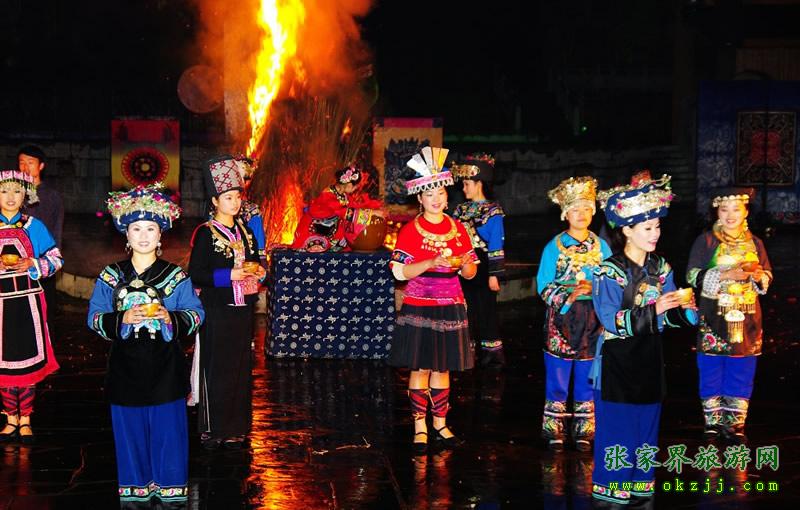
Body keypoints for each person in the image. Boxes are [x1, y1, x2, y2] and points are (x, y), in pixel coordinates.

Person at [87, 184, 204, 504]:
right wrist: (121, 319)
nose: (143, 236)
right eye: (136, 228)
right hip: (124, 366)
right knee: (129, 431)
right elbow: (94, 317)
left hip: (165, 366)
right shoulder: (111, 276)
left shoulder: (175, 276)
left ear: (160, 233)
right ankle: (135, 487)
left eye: (150, 228)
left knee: (169, 430)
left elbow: (196, 314)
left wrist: (170, 317)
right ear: (126, 234)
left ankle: (170, 488)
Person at [590, 171, 697, 507]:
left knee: (647, 426)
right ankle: (612, 489)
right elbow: (610, 319)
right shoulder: (608, 271)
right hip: (617, 361)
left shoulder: (661, 268)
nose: (655, 234)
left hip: (650, 357)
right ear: (627, 230)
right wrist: (655, 308)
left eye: (657, 227)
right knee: (618, 428)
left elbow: (666, 318)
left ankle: (641, 485)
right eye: (647, 228)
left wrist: (685, 310)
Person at [387, 146, 478, 455]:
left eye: (440, 192)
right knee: (421, 367)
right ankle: (420, 427)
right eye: (429, 194)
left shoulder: (459, 229)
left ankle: (440, 423)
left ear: (447, 196)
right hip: (419, 305)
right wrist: (429, 262)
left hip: (451, 305)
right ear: (420, 199)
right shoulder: (410, 231)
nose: (436, 198)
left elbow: (470, 273)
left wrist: (464, 264)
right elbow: (398, 271)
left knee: (443, 368)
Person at [189, 155, 266, 450]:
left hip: (242, 310)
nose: (234, 203)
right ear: (214, 201)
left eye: (237, 197)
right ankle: (213, 429)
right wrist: (230, 274)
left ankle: (237, 427)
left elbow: (255, 260)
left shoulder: (246, 232)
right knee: (216, 367)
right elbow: (196, 274)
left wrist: (259, 270)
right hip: (216, 310)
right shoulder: (205, 234)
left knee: (240, 368)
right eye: (228, 198)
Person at [686, 188, 771, 444]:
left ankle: (735, 424)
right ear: (717, 212)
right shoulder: (706, 241)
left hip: (747, 318)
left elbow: (767, 274)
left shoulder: (756, 243)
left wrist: (759, 276)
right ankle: (712, 422)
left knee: (742, 367)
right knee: (711, 365)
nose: (730, 215)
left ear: (746, 212)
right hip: (714, 316)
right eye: (724, 210)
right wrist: (725, 275)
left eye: (736, 209)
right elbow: (692, 275)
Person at [536, 176, 611, 452]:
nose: (581, 214)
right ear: (565, 213)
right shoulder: (553, 247)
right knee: (558, 373)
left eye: (586, 208)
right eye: (575, 209)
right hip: (562, 318)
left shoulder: (602, 247)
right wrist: (568, 296)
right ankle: (553, 428)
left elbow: (613, 281)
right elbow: (543, 284)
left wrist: (596, 288)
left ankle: (584, 429)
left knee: (587, 375)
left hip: (593, 318)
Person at [0, 171, 62, 445]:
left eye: (16, 191)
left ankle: (25, 417)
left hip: (27, 301)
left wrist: (32, 264)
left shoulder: (34, 226)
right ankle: (9, 417)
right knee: (3, 360)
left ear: (26, 195)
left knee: (27, 359)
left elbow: (56, 259)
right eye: (4, 191)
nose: (10, 197)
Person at [451, 153, 507, 367]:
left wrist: (494, 275)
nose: (464, 189)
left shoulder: (493, 211)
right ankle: (467, 349)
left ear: (479, 184)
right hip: (463, 265)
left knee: (486, 308)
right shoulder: (460, 210)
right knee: (466, 307)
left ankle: (492, 352)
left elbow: (496, 244)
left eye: (467, 184)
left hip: (483, 266)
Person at [291, 164, 383, 252]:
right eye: (355, 187)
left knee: (348, 242)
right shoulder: (327, 196)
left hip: (332, 232)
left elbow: (354, 207)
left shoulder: (344, 196)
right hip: (314, 230)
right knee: (318, 246)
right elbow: (345, 212)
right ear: (349, 185)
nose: (355, 190)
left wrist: (370, 209)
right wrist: (371, 213)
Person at [19, 145, 64, 320]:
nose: (25, 167)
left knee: (43, 314)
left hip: (40, 263)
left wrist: (51, 261)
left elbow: (56, 230)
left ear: (41, 166)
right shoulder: (13, 194)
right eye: (22, 162)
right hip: (14, 263)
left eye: (30, 162)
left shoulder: (51, 196)